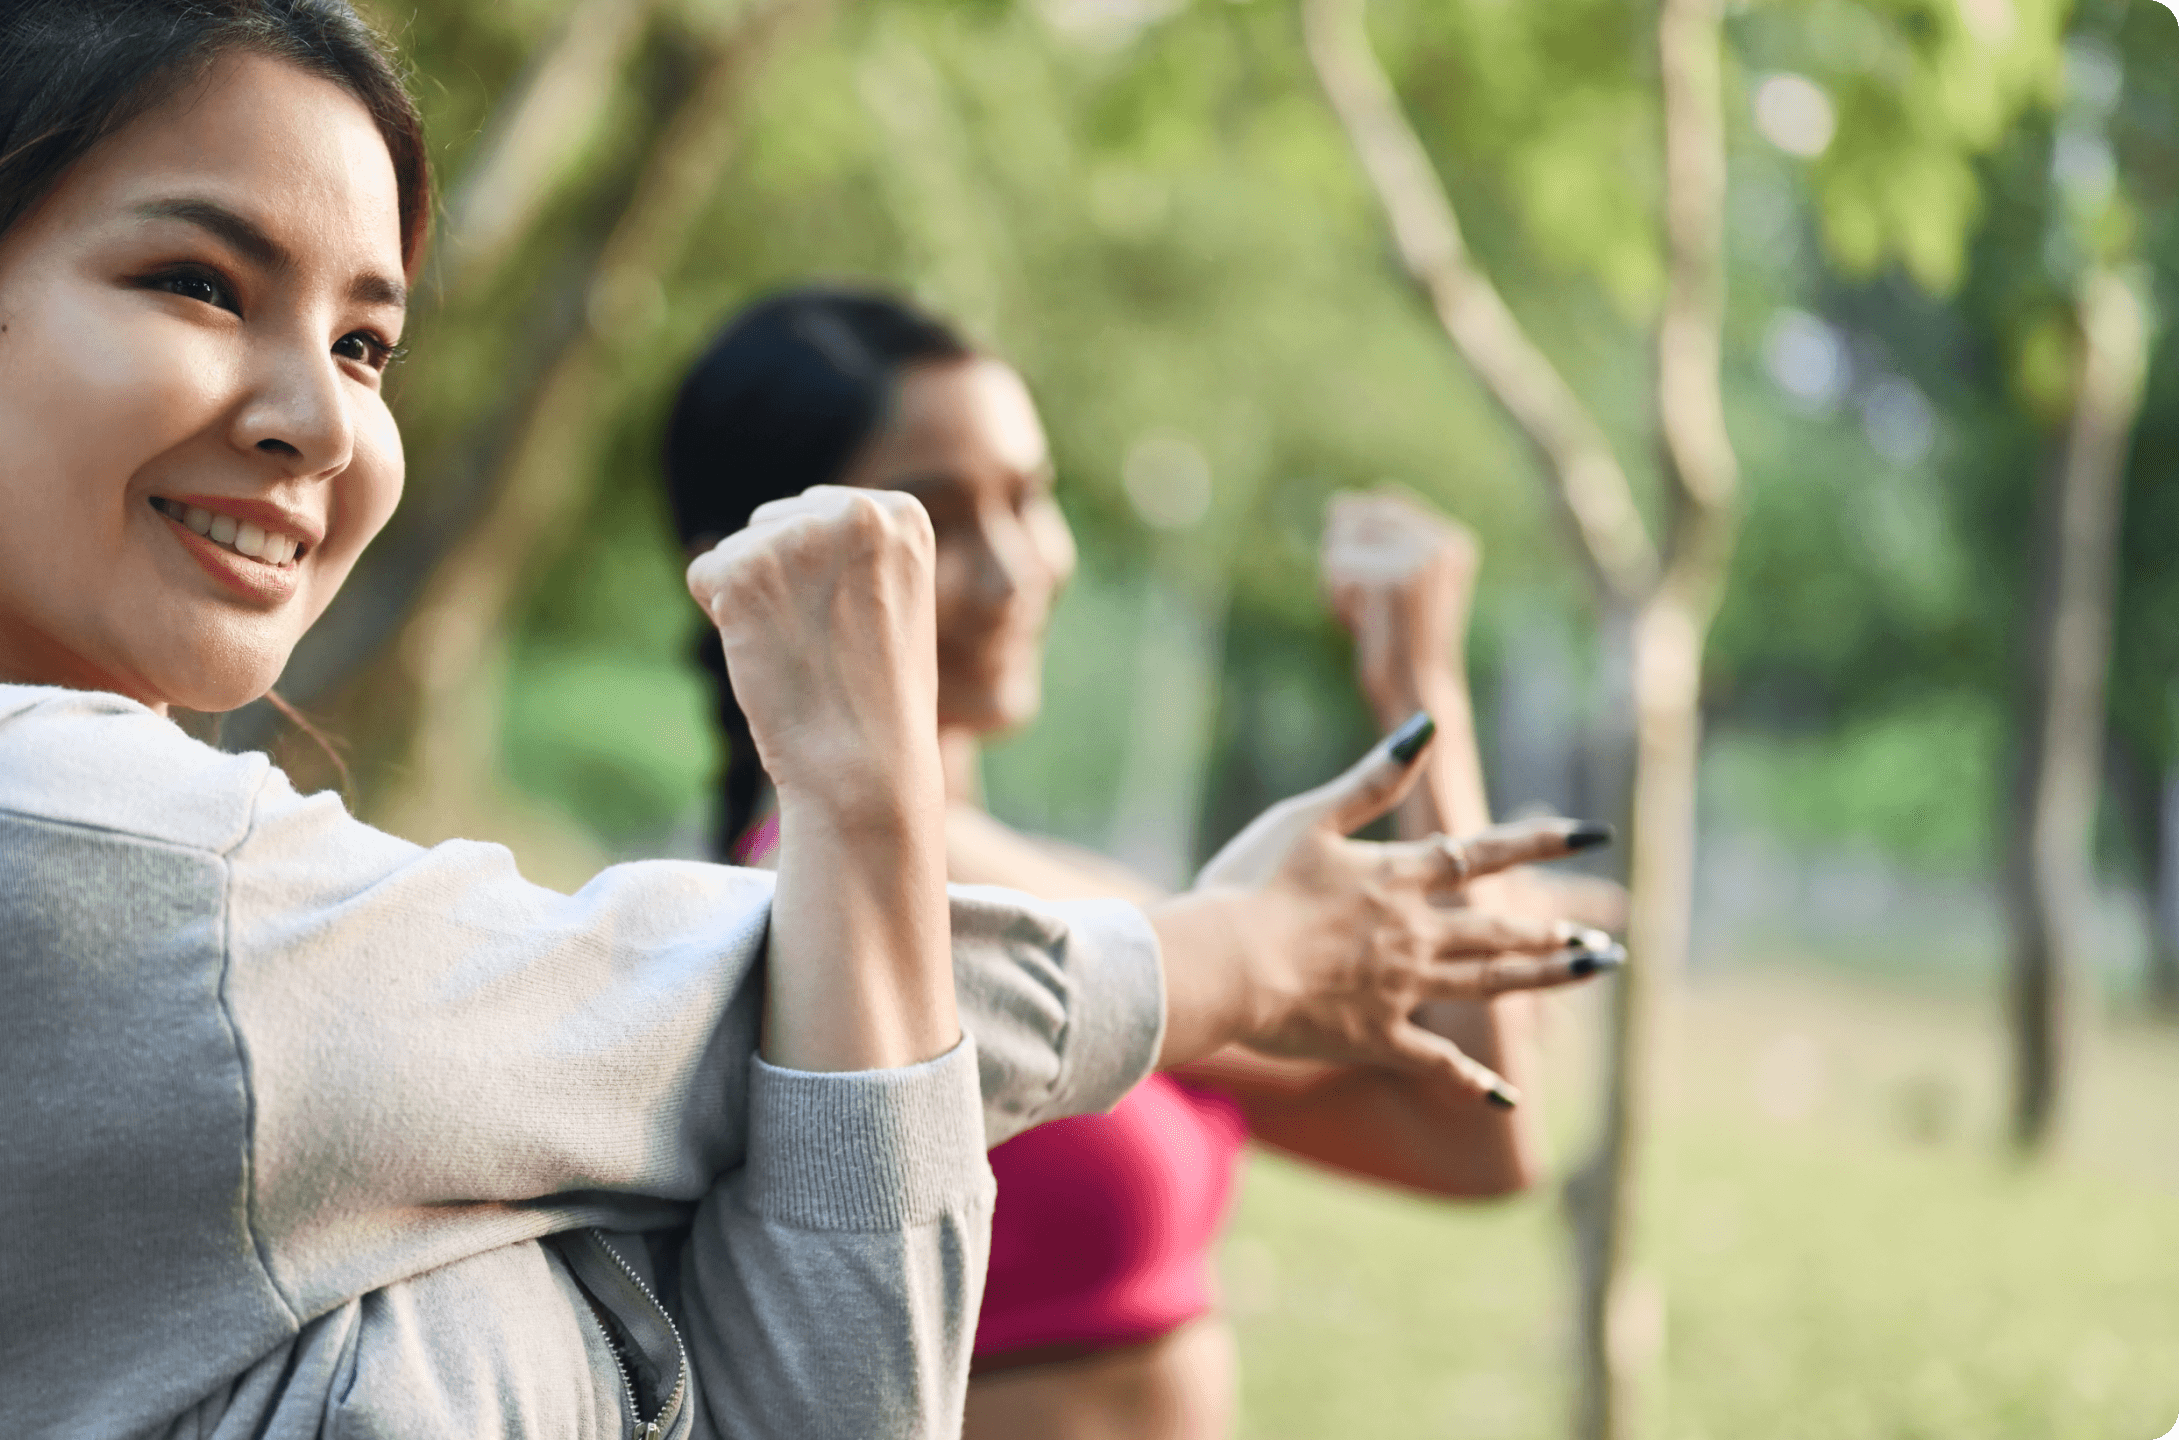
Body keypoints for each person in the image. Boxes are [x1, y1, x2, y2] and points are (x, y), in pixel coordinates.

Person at [0, 6, 1606, 1436]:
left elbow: (814, 1389)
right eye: (201, 281)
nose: (319, 416)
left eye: (364, 335)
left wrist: (901, 856)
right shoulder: (60, 881)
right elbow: (757, 1069)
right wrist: (1212, 934)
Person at [660, 289, 1623, 1440]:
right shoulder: (892, 910)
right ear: (752, 565)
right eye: (938, 520)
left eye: (1030, 495)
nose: (1017, 567)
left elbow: (1469, 1134)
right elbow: (1479, 1117)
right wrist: (1424, 694)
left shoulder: (1046, 883)